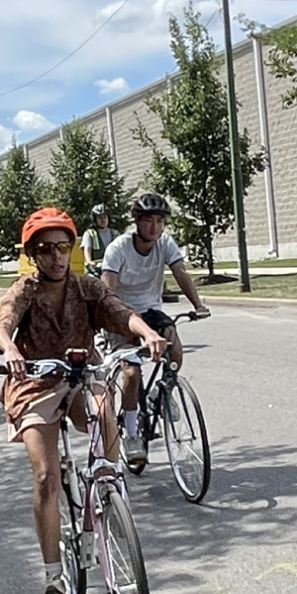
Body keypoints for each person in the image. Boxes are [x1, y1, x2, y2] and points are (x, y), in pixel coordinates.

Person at [0, 208, 166, 594]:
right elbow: (1, 322)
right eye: (46, 249)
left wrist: (147, 332)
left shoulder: (86, 288)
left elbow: (119, 311)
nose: (55, 257)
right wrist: (11, 348)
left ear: (71, 250)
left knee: (105, 416)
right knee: (47, 476)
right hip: (35, 384)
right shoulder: (25, 291)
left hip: (80, 377)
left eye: (62, 248)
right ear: (33, 253)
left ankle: (105, 493)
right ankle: (54, 578)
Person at [101, 191, 209, 468]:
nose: (155, 227)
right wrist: (108, 317)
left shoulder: (166, 244)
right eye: (149, 221)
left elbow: (181, 273)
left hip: (150, 311)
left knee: (175, 353)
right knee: (131, 372)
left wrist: (197, 304)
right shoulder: (118, 249)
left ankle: (161, 395)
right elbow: (107, 289)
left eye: (160, 221)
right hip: (121, 315)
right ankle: (133, 434)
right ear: (137, 222)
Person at [81, 203, 118, 273]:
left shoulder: (115, 233)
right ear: (95, 220)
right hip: (95, 270)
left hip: (112, 269)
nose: (103, 220)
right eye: (100, 217)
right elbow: (87, 249)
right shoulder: (89, 234)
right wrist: (89, 261)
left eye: (105, 217)